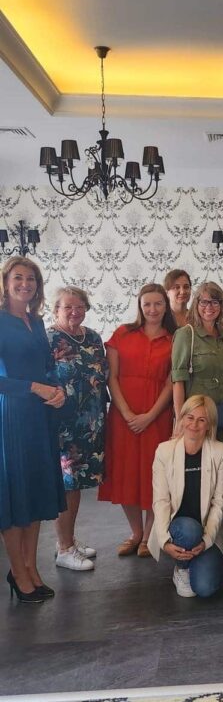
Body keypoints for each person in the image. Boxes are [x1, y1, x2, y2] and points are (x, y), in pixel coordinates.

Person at [0, 257, 65, 603]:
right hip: (12, 417)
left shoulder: (37, 322)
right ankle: (18, 570)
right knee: (16, 495)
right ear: (5, 282)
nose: (25, 284)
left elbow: (47, 366)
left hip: (41, 416)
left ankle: (29, 565)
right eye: (18, 277)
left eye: (31, 279)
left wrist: (57, 389)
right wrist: (35, 388)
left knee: (36, 490)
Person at [98, 283, 175, 556]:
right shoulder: (122, 333)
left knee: (155, 474)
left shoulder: (174, 339)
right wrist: (128, 414)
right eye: (147, 304)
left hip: (158, 415)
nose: (152, 309)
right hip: (123, 416)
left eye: (158, 303)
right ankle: (136, 532)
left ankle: (150, 535)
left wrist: (150, 415)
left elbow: (171, 382)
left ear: (165, 306)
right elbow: (111, 377)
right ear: (140, 307)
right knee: (126, 473)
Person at [47, 287, 108, 571]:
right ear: (56, 310)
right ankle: (64, 548)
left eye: (80, 306)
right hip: (63, 425)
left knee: (78, 485)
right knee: (68, 485)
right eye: (68, 307)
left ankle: (68, 539)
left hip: (91, 422)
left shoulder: (93, 337)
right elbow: (40, 378)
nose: (74, 312)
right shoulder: (49, 338)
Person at [150, 395, 223, 598]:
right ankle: (182, 568)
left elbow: (219, 502)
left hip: (206, 528)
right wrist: (164, 541)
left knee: (205, 588)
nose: (194, 425)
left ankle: (198, 559)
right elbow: (161, 501)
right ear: (182, 418)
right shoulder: (164, 451)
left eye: (202, 420)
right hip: (180, 527)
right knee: (189, 529)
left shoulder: (220, 452)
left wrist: (207, 540)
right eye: (190, 417)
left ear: (209, 425)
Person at [172, 281, 223, 444]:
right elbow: (178, 381)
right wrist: (180, 420)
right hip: (195, 419)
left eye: (215, 302)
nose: (209, 307)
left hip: (222, 416)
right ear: (196, 304)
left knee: (221, 458)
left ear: (221, 306)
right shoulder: (186, 335)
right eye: (204, 302)